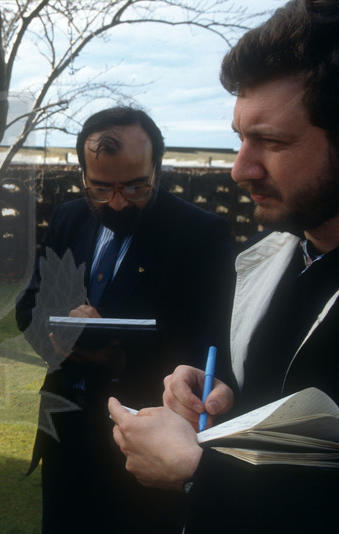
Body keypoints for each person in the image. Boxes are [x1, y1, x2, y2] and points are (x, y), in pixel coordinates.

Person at [108, 1, 339, 531]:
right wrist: (222, 398)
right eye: (240, 136)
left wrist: (196, 469)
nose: (240, 169)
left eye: (273, 141)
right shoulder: (273, 258)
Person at [16, 106, 235, 533]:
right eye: (101, 188)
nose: (117, 202)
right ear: (83, 176)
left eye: (136, 187)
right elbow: (29, 307)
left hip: (145, 440)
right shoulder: (68, 217)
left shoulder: (201, 233)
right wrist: (54, 335)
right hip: (64, 430)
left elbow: (210, 348)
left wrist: (121, 365)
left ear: (158, 167)